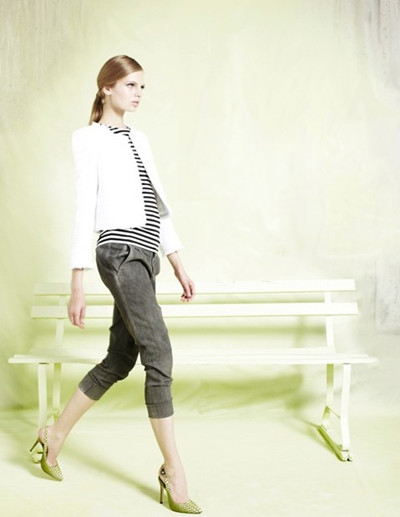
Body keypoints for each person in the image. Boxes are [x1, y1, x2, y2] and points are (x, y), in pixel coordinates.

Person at [30, 55, 201, 514]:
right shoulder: (88, 138)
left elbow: (157, 205)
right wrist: (77, 282)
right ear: (106, 88)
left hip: (146, 255)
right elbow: (84, 206)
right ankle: (173, 470)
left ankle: (54, 435)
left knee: (120, 358)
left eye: (142, 86)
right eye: (130, 85)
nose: (138, 94)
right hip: (119, 251)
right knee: (159, 354)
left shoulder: (140, 139)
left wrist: (178, 263)